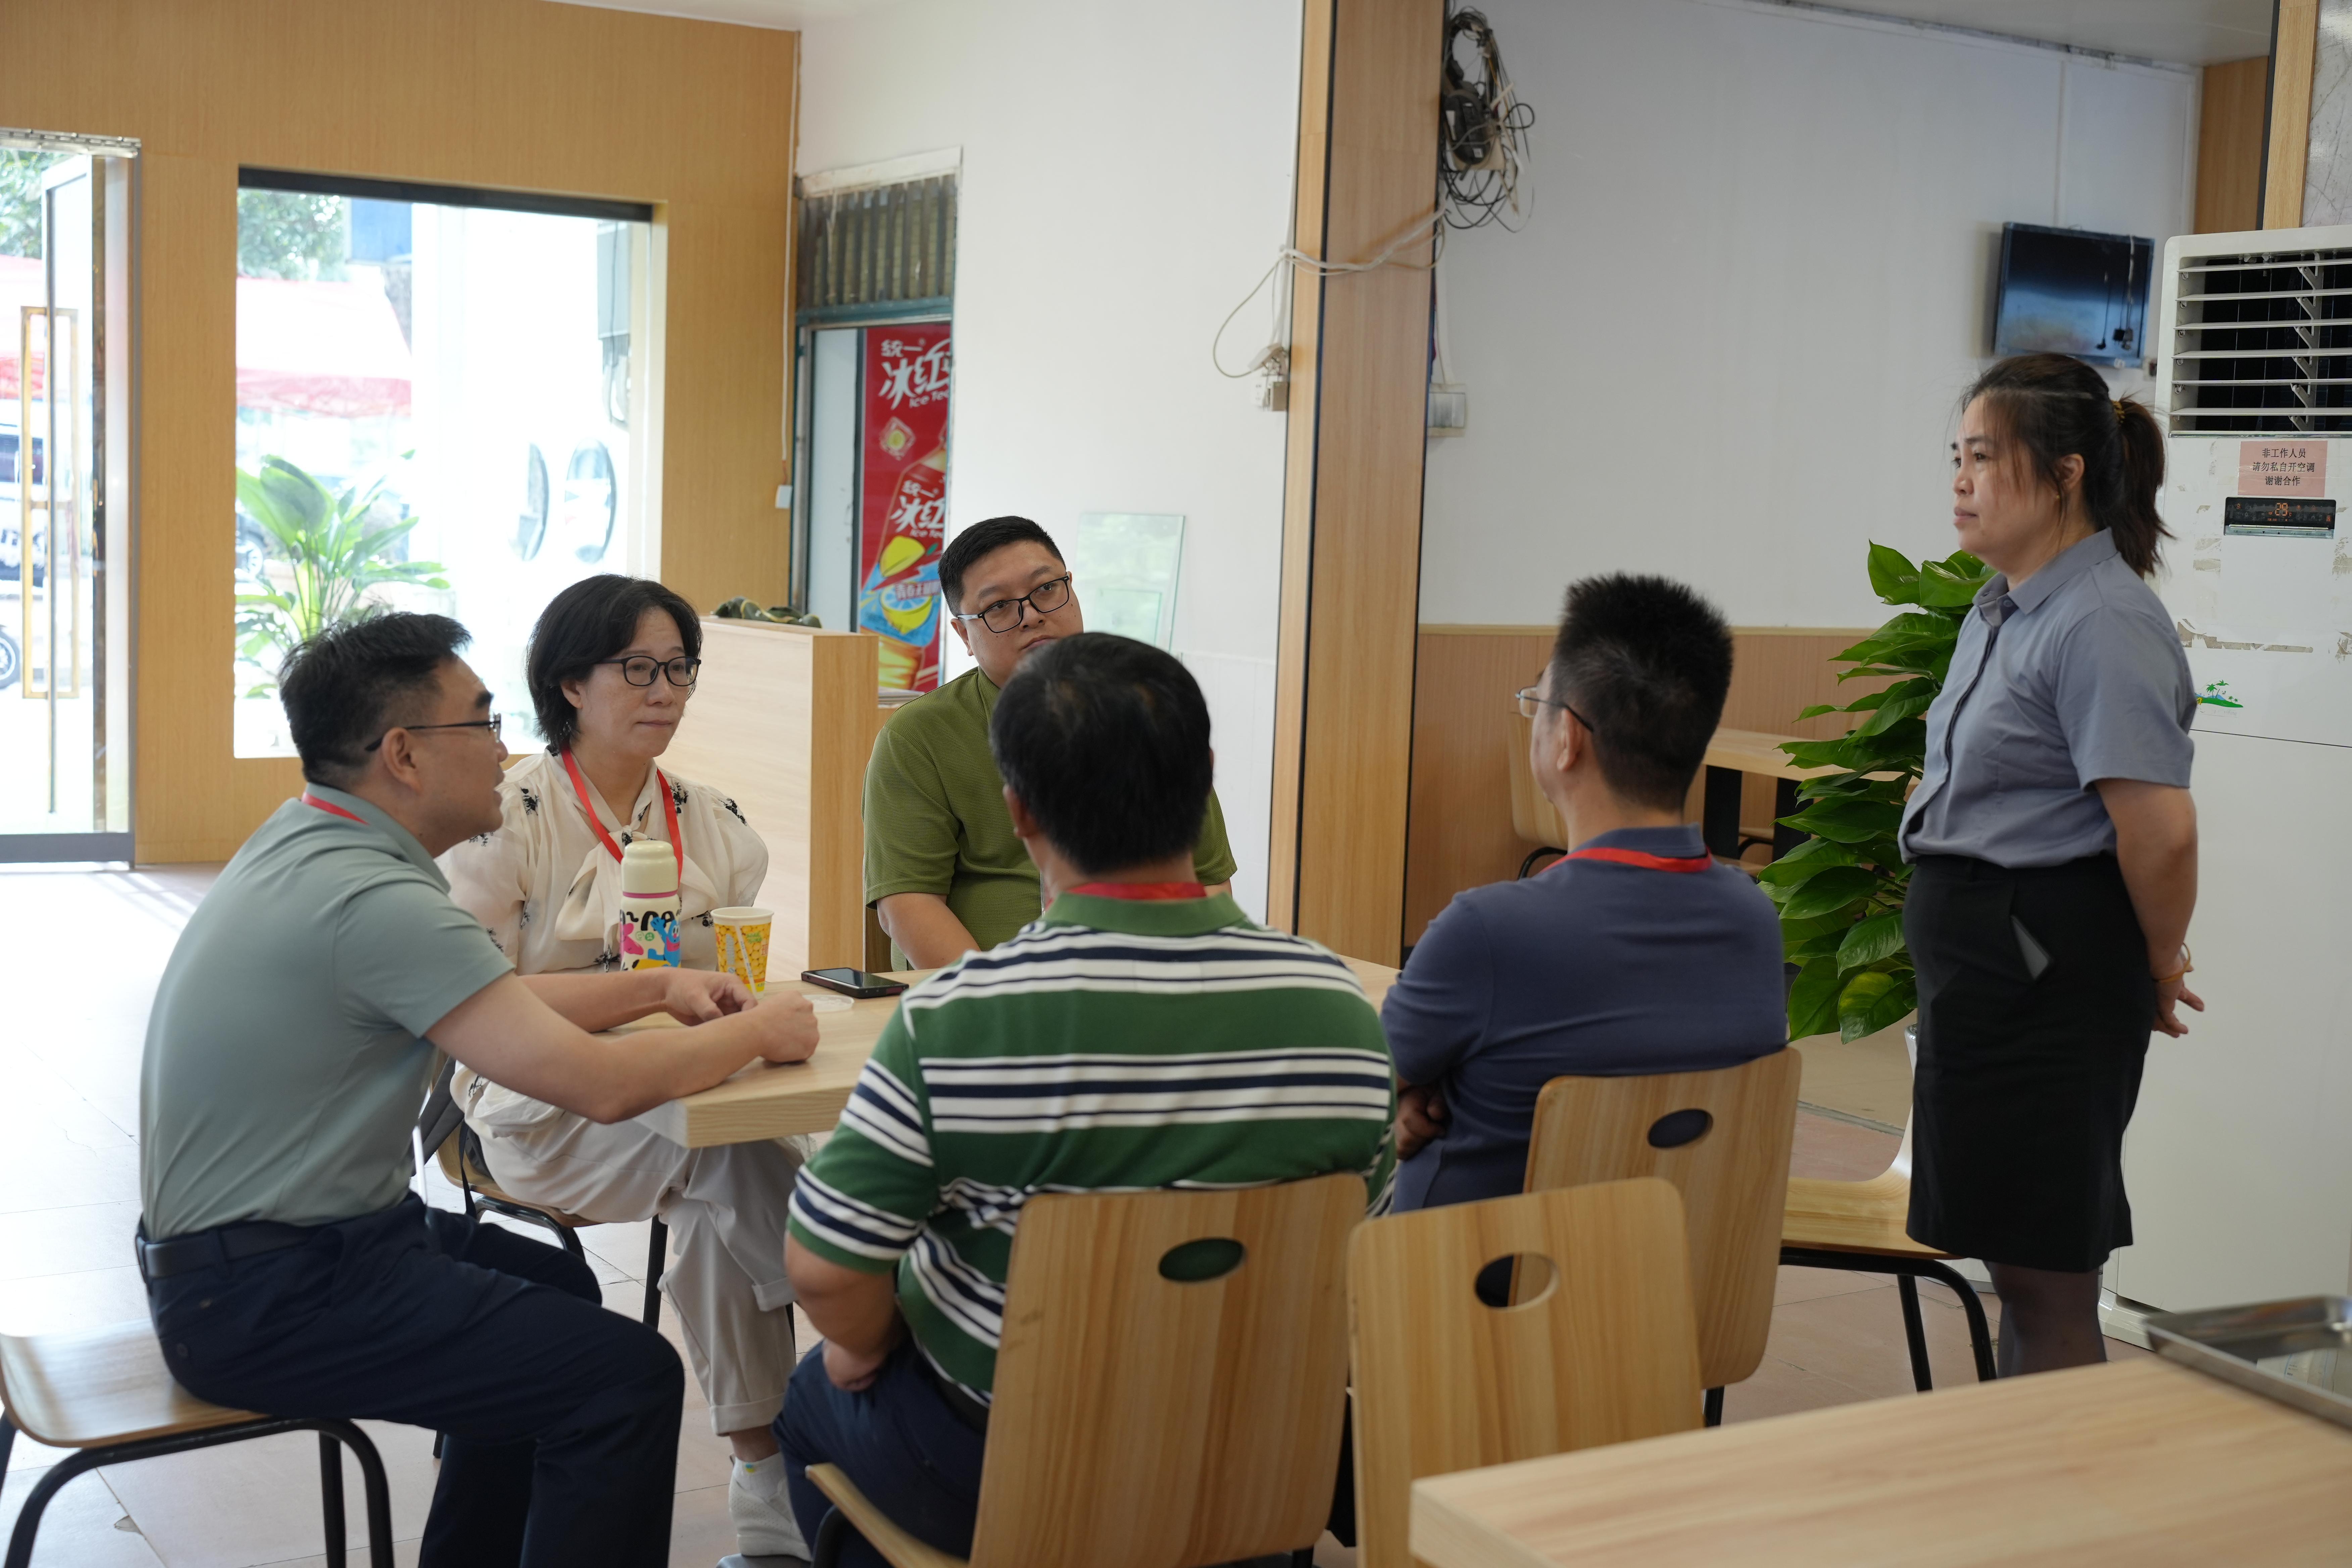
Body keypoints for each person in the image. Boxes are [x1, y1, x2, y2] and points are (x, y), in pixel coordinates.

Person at [137, 613, 819, 1568]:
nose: (505, 749)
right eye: (483, 722)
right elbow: (600, 1086)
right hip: (272, 1292)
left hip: (263, 1260)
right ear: (404, 754)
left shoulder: (316, 843)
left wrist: (659, 985)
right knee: (626, 1379)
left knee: (554, 1282)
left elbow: (489, 996)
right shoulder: (378, 901)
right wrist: (757, 1030)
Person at [778, 632, 1395, 1565]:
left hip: (1016, 1471)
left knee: (809, 1401)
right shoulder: (1337, 1007)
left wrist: (864, 1348)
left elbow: (827, 1270)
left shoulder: (957, 1020)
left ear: (1019, 809)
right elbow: (1361, 1238)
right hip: (1252, 1451)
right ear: (1206, 781)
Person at [438, 575, 811, 1562]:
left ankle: (768, 1478)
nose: (665, 693)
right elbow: (474, 1001)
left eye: (679, 670)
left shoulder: (714, 820)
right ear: (571, 683)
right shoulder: (505, 816)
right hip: (534, 1103)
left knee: (724, 1180)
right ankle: (858, 1361)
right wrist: (652, 992)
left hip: (682, 1086)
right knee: (735, 1159)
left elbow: (731, 974)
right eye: (638, 670)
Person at [1900, 353, 2201, 1376]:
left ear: (2067, 473)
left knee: (2046, 1277)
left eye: (1985, 458)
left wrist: (2160, 962)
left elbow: (2161, 831)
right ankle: (2022, 1464)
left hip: (2044, 978)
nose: (1961, 481)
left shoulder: (2102, 620)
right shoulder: (2009, 605)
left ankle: (2066, 1477)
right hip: (1995, 974)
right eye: (1958, 457)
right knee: (2014, 1264)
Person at [1381, 574, 1786, 1212]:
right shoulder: (1755, 919)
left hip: (1475, 1272)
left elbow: (1359, 1093)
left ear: (1568, 738)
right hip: (1674, 1268)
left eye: (1537, 703)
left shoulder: (1487, 932)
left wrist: (1413, 1095)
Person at [862, 515, 1238, 968]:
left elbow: (1209, 879)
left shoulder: (1143, 706)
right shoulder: (919, 735)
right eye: (999, 606)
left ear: (1071, 589)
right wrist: (998, 995)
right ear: (963, 633)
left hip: (1148, 977)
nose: (1032, 616)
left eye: (1046, 589)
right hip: (987, 986)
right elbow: (908, 904)